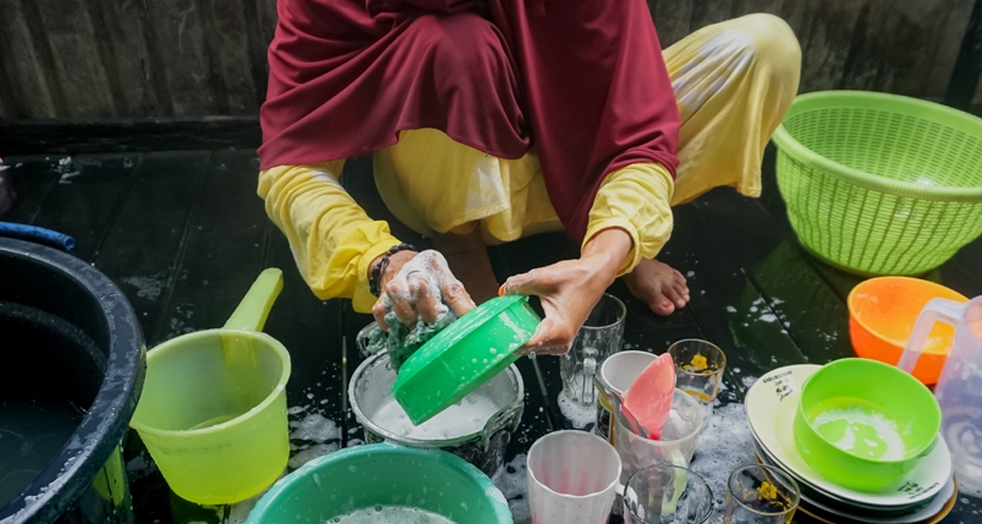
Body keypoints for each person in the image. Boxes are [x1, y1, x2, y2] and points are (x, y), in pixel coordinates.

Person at [258, 0, 800, 355]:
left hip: (574, 146)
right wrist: (380, 260)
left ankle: (612, 234)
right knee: (457, 47)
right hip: (446, 170)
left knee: (762, 49)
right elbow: (292, 166)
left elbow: (637, 125)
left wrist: (605, 258)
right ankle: (462, 248)